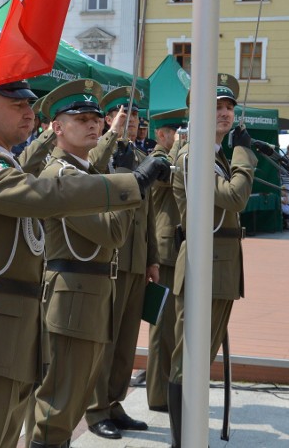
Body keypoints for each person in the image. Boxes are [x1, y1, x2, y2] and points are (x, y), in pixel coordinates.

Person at [0, 67, 149, 448]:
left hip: (16, 320)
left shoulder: (6, 163)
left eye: (29, 104)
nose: (29, 112)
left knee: (8, 431)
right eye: (17, 104)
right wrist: (131, 182)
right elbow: (47, 195)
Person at [29, 80, 168, 448]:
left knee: (70, 400)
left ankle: (107, 407)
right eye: (82, 119)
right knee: (58, 404)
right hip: (73, 297)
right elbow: (113, 234)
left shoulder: (86, 173)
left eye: (95, 118)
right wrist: (127, 183)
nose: (93, 124)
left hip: (91, 294)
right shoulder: (62, 176)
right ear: (57, 128)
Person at [167, 74, 256, 447]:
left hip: (219, 263)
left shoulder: (215, 153)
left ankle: (190, 434)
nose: (223, 113)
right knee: (189, 358)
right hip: (204, 264)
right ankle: (182, 439)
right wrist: (245, 156)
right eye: (215, 107)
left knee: (203, 356)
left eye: (228, 107)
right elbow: (234, 198)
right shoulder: (195, 154)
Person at [85, 87, 159, 440]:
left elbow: (148, 216)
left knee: (127, 341)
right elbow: (93, 170)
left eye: (135, 119)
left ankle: (114, 402)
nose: (131, 123)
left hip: (135, 261)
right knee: (105, 339)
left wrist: (152, 259)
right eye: (123, 116)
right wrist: (111, 134)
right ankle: (96, 408)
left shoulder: (142, 156)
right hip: (108, 259)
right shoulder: (99, 155)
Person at [145, 108, 188, 413]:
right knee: (162, 329)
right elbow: (170, 178)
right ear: (161, 134)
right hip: (166, 253)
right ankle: (159, 395)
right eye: (175, 131)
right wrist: (181, 148)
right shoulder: (158, 159)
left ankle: (171, 387)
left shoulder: (178, 156)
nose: (181, 136)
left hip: (180, 250)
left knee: (176, 327)